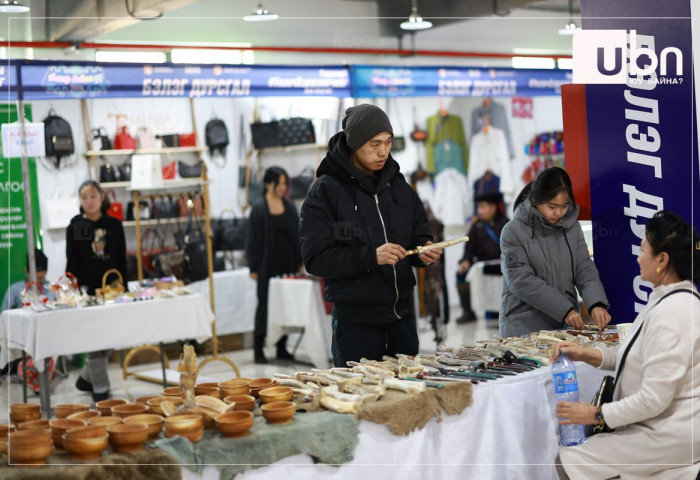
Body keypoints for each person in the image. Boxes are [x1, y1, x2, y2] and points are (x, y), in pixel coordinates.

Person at [552, 210, 700, 480]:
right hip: (659, 426)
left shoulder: (676, 311)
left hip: (667, 433)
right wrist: (588, 354)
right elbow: (638, 356)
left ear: (662, 260)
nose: (638, 256)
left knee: (569, 461)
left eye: (643, 250)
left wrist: (596, 414)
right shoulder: (665, 298)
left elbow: (654, 399)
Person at [299, 104, 442, 367]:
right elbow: (316, 259)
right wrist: (369, 257)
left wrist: (425, 252)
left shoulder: (398, 185)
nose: (383, 151)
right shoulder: (326, 191)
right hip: (357, 325)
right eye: (374, 144)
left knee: (408, 400)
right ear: (354, 143)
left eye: (388, 142)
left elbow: (419, 233)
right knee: (363, 402)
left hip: (403, 318)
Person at [499, 167, 611, 337]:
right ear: (535, 200)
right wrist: (564, 310)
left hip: (564, 326)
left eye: (565, 206)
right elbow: (520, 280)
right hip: (523, 328)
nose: (559, 213)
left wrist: (596, 303)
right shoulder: (513, 231)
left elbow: (584, 268)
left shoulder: (572, 227)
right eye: (552, 206)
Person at [66, 180, 126, 402]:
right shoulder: (78, 225)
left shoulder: (114, 225)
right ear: (80, 201)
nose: (89, 202)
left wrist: (123, 288)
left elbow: (121, 259)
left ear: (102, 197)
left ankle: (85, 377)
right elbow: (74, 261)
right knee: (94, 339)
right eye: (84, 197)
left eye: (93, 196)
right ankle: (100, 388)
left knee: (111, 336)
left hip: (112, 290)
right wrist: (71, 289)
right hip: (88, 292)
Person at [246, 166, 303, 364]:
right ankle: (258, 349)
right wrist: (253, 267)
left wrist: (300, 262)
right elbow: (252, 240)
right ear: (268, 184)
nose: (283, 187)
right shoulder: (259, 208)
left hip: (287, 264)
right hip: (266, 265)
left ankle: (282, 347)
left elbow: (297, 236)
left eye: (285, 183)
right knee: (264, 307)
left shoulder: (288, 205)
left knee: (285, 305)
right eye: (280, 183)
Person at [456, 191, 509, 323]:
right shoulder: (476, 226)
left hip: (502, 265)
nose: (479, 211)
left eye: (483, 207)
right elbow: (469, 249)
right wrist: (465, 261)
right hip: (482, 265)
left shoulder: (506, 224)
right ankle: (467, 311)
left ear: (493, 207)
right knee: (461, 273)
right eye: (478, 207)